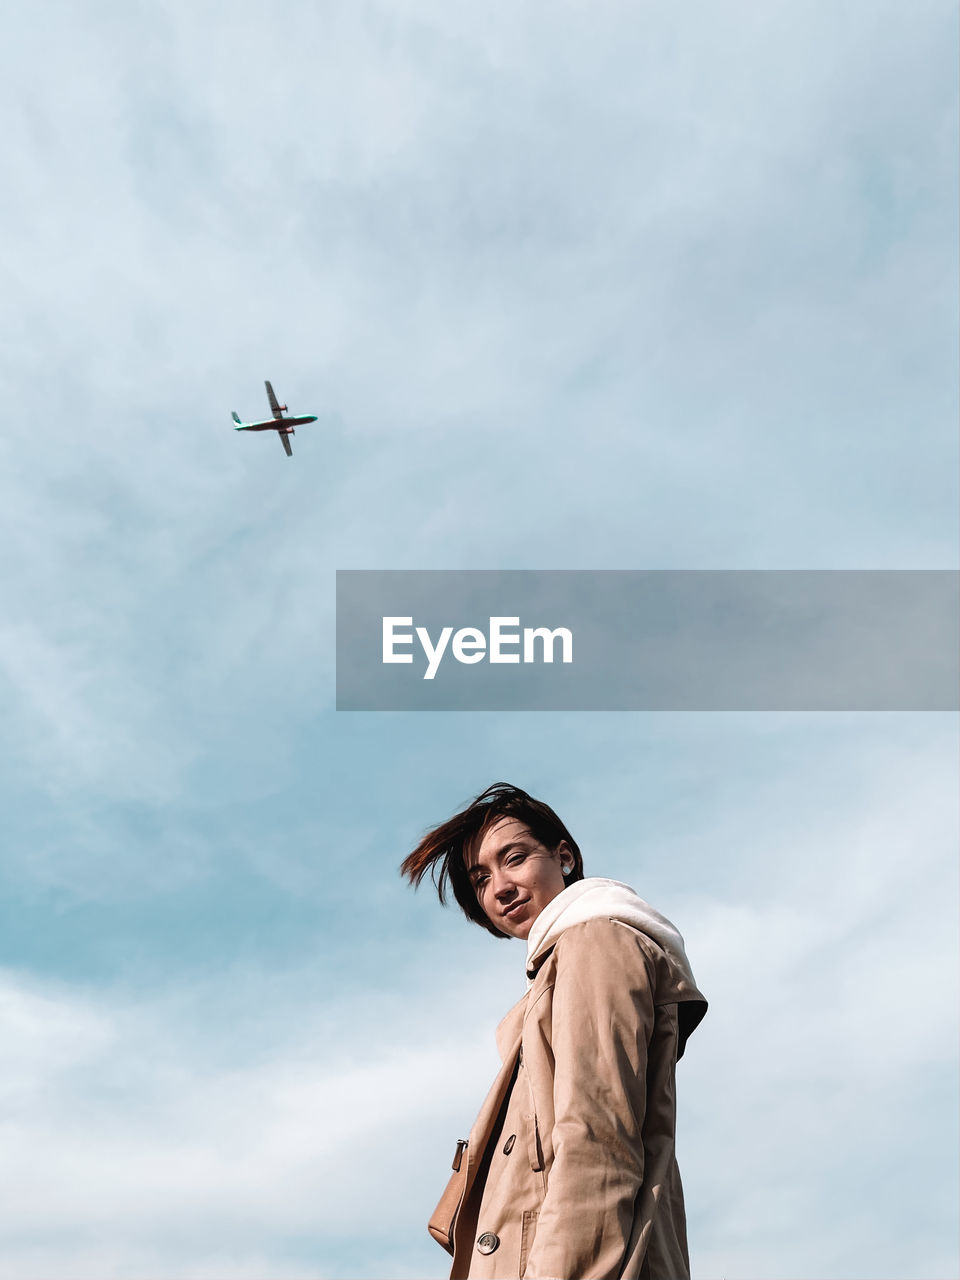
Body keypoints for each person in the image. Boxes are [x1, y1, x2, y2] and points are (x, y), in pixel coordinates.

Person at [400, 782, 707, 1280]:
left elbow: (597, 1140)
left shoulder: (595, 939)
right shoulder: (559, 967)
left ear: (563, 856)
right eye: (480, 879)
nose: (499, 887)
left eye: (515, 858)